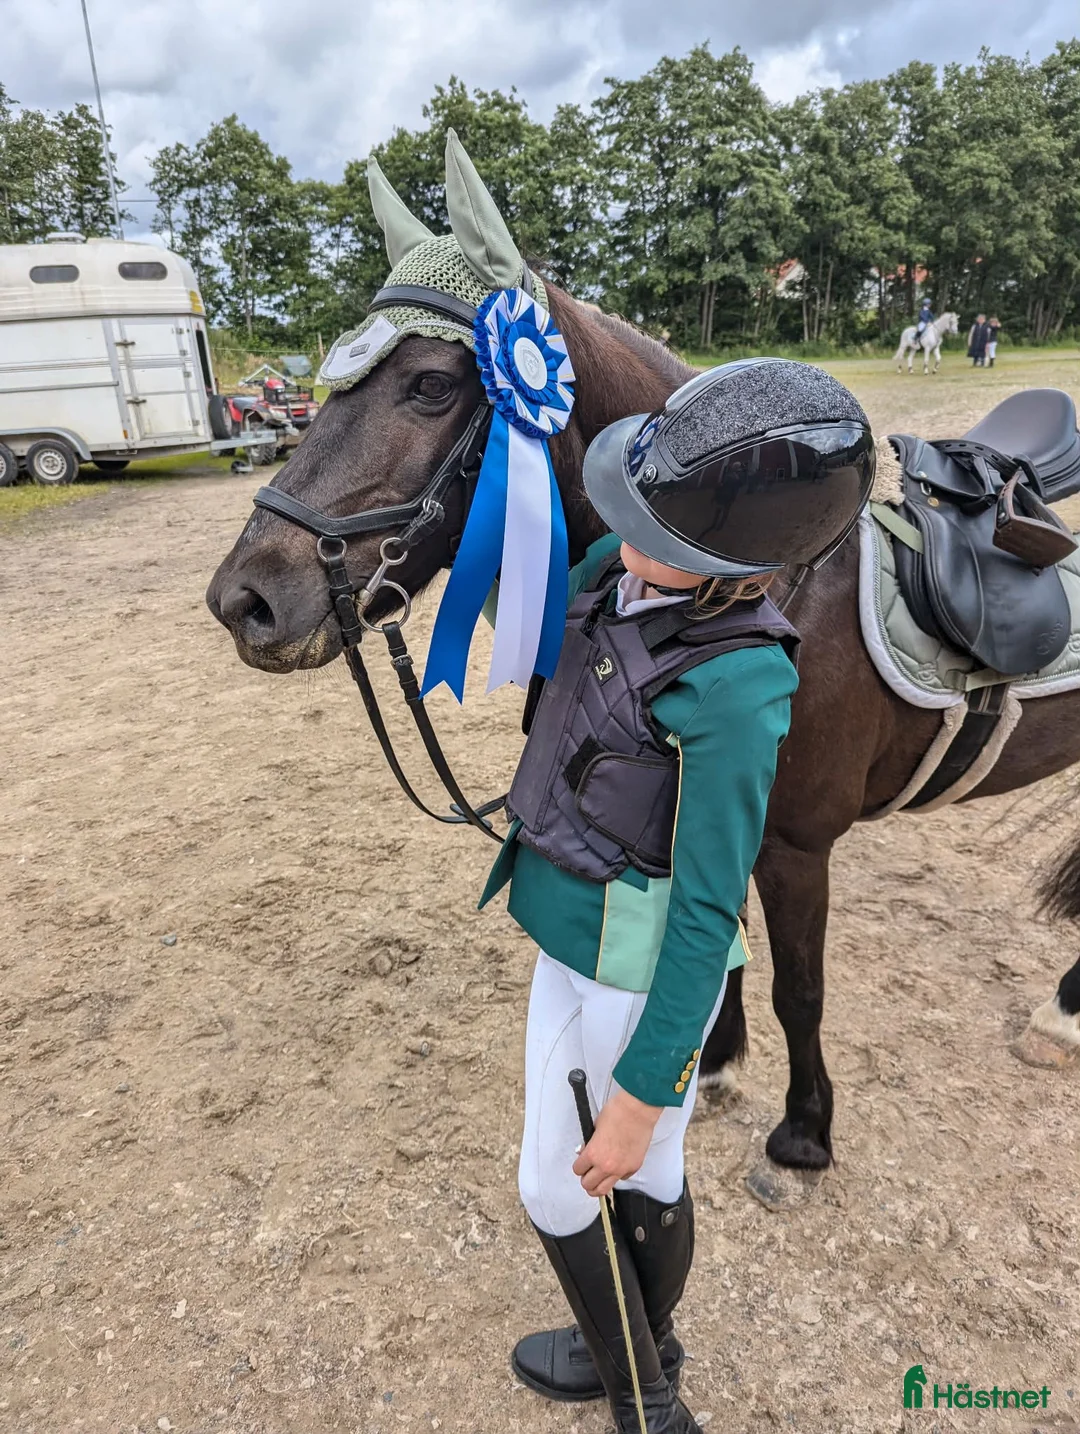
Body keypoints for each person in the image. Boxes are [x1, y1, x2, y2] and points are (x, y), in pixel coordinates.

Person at [479, 359, 876, 1433]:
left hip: (642, 968)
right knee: (594, 1182)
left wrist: (650, 1085)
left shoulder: (741, 684)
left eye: (648, 517)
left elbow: (710, 909)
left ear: (728, 563)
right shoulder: (624, 565)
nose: (615, 523)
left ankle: (648, 1392)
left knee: (585, 1180)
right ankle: (640, 1344)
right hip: (567, 932)